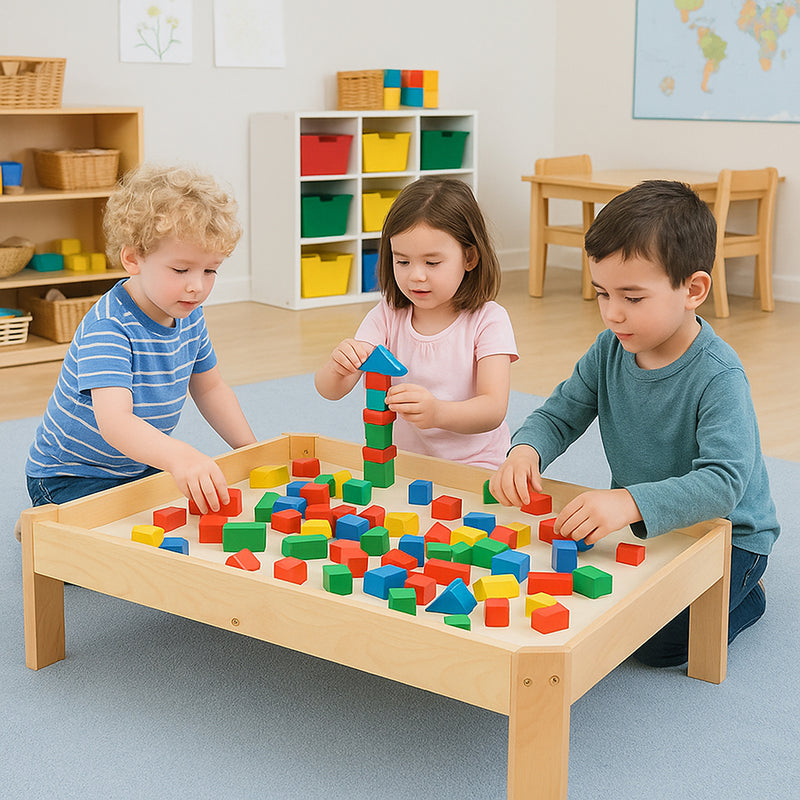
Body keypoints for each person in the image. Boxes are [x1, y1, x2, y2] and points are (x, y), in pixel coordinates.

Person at [490, 180, 779, 667]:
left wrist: (626, 500)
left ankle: (750, 595)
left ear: (693, 290)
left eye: (632, 297)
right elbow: (559, 414)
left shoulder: (719, 375)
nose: (612, 313)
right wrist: (526, 450)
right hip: (643, 523)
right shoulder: (608, 351)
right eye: (603, 293)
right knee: (596, 609)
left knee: (654, 645)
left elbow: (723, 483)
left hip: (729, 535)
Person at [24, 163, 257, 519]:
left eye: (210, 270)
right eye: (181, 270)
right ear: (133, 258)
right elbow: (116, 423)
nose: (197, 285)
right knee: (120, 554)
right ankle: (41, 526)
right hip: (69, 476)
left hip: (135, 465)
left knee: (189, 513)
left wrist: (252, 450)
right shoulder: (109, 327)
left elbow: (210, 388)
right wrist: (179, 454)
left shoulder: (188, 313)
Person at [315, 177, 518, 469]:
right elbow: (331, 390)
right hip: (402, 464)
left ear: (470, 257)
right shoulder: (386, 315)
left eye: (432, 263)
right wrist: (338, 367)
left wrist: (437, 413)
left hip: (476, 463)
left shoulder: (489, 320)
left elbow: (493, 409)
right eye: (403, 261)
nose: (416, 276)